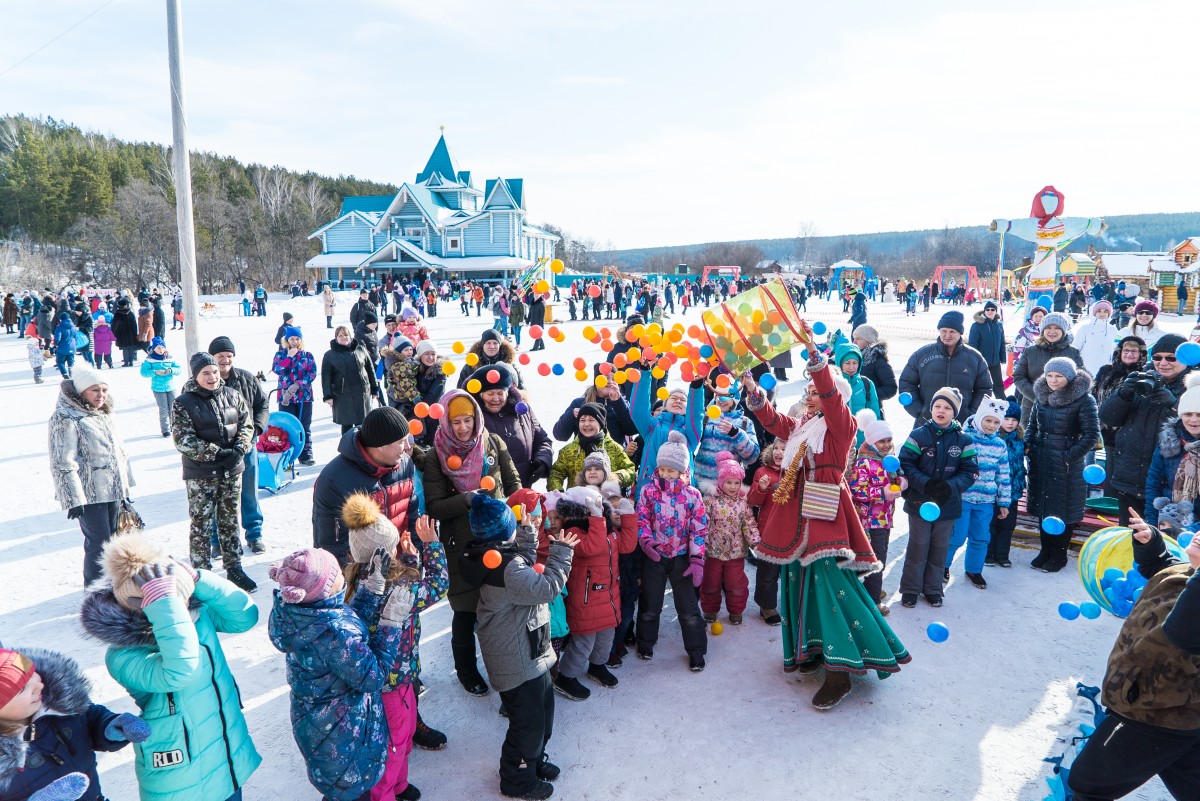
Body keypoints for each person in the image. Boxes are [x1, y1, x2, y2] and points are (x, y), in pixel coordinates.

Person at [741, 337, 910, 709]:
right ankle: (813, 649)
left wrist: (817, 360)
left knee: (832, 589)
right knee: (800, 585)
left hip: (825, 518)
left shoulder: (840, 425)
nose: (809, 397)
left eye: (814, 392)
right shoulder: (803, 426)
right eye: (807, 392)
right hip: (796, 520)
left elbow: (832, 398)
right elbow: (773, 420)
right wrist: (753, 389)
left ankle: (841, 672)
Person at [80, 532, 261, 801]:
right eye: (172, 599)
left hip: (223, 752)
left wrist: (200, 578)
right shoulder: (123, 655)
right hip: (181, 772)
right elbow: (181, 670)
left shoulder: (194, 618)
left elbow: (245, 617)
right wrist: (165, 603)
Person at [1066, 509, 1200, 801]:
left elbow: (1184, 631)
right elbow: (1166, 571)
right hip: (1173, 711)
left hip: (1156, 713)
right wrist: (1151, 546)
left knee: (1087, 785)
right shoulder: (1187, 570)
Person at [268, 546, 408, 801]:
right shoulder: (332, 634)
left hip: (326, 729)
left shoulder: (306, 615)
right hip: (343, 739)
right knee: (350, 795)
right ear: (324, 590)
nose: (343, 576)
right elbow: (373, 676)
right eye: (337, 576)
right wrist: (391, 625)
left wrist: (371, 589)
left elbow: (348, 620)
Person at [460, 494, 576, 801]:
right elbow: (546, 587)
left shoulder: (494, 554)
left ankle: (533, 761)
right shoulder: (508, 570)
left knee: (543, 714)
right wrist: (562, 552)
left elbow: (519, 561)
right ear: (503, 532)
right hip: (517, 660)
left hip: (527, 651)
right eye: (514, 526)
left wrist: (525, 534)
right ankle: (517, 778)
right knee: (529, 725)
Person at [340, 496, 448, 801]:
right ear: (387, 553)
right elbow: (439, 585)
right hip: (392, 683)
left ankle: (398, 786)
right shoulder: (399, 589)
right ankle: (383, 793)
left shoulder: (356, 579)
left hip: (386, 682)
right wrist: (432, 545)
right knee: (394, 744)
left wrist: (410, 561)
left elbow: (405, 584)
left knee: (402, 737)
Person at [424, 390, 521, 696]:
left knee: (502, 607)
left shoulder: (491, 441)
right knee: (466, 612)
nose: (463, 427)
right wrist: (465, 500)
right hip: (462, 544)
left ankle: (506, 666)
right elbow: (435, 505)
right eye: (456, 422)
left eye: (467, 420)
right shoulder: (435, 455)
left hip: (500, 539)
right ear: (446, 423)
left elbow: (513, 481)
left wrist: (519, 508)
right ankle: (466, 669)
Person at [172, 352, 257, 592]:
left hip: (231, 471)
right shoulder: (183, 403)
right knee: (202, 524)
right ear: (196, 375)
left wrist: (240, 448)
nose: (212, 377)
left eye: (215, 372)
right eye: (206, 373)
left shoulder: (233, 395)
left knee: (229, 521)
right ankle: (201, 575)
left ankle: (234, 568)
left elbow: (246, 424)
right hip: (201, 474)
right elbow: (183, 439)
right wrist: (216, 453)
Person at [48, 365, 134, 584]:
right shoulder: (66, 417)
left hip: (112, 489)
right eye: (95, 390)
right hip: (88, 492)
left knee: (115, 540)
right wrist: (73, 498)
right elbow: (62, 461)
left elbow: (119, 452)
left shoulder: (103, 413)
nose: (101, 395)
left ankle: (114, 588)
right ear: (81, 391)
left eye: (104, 390)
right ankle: (95, 592)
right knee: (98, 542)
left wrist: (126, 485)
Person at [898, 387, 979, 609]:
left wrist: (949, 487)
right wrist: (926, 483)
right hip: (919, 501)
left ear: (955, 413)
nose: (941, 411)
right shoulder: (918, 435)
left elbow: (971, 471)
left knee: (939, 546)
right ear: (931, 409)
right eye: (937, 406)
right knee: (918, 545)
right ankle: (911, 589)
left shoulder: (964, 440)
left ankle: (933, 589)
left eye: (946, 408)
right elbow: (905, 464)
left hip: (947, 504)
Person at [635, 431, 709, 671]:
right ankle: (645, 642)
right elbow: (642, 519)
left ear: (683, 471)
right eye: (663, 468)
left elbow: (699, 528)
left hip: (682, 558)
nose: (666, 473)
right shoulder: (648, 491)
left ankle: (696, 651)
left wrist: (697, 559)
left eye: (672, 470)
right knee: (650, 605)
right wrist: (646, 542)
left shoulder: (693, 496)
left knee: (688, 608)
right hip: (655, 556)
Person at [1100, 334, 1193, 526]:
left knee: (1163, 544)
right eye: (1157, 357)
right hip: (1130, 477)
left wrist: (1175, 404)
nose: (1163, 363)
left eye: (1171, 358)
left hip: (1169, 484)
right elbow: (1108, 417)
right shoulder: (1144, 380)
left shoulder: (1194, 388)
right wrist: (1123, 394)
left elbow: (1194, 429)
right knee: (1131, 539)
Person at [550, 485, 628, 701]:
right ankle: (566, 677)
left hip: (608, 597)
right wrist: (597, 520)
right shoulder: (573, 532)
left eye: (600, 508)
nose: (599, 512)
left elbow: (627, 546)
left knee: (605, 638)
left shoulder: (607, 530)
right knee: (584, 642)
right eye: (593, 509)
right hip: (585, 599)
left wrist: (629, 517)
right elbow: (592, 548)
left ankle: (597, 666)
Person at [1026, 358, 1100, 573]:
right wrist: (1030, 447)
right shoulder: (1042, 396)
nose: (1053, 380)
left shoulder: (1084, 400)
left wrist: (1069, 456)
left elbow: (1091, 435)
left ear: (1069, 377)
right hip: (1041, 458)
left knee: (1063, 508)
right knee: (1043, 505)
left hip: (1067, 463)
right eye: (1049, 375)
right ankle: (1045, 550)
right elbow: (1032, 425)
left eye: (1059, 376)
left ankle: (1059, 554)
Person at [209, 336, 270, 555]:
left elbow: (262, 404)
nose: (224, 360)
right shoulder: (205, 380)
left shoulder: (246, 378)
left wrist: (257, 428)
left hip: (246, 447)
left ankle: (254, 534)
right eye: (220, 356)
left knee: (249, 493)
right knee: (218, 495)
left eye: (228, 356)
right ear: (212, 358)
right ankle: (216, 540)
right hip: (218, 451)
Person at [945, 396, 1012, 589]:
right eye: (988, 420)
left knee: (981, 537)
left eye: (996, 422)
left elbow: (1004, 474)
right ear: (979, 418)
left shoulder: (1000, 445)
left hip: (986, 500)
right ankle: (943, 567)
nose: (992, 425)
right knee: (957, 536)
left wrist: (1004, 502)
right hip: (963, 498)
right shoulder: (965, 438)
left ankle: (974, 569)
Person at [849, 411, 905, 615]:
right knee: (875, 558)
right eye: (882, 441)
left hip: (886, 518)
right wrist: (883, 492)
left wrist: (900, 482)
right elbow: (857, 490)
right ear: (872, 441)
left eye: (889, 440)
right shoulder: (864, 462)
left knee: (881, 555)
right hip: (870, 520)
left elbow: (896, 479)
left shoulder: (889, 459)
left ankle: (871, 589)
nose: (887, 444)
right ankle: (872, 601)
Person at [699, 452, 761, 626]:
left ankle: (736, 610)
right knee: (710, 582)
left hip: (736, 552)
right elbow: (703, 523)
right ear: (720, 482)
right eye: (728, 482)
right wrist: (700, 544)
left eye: (736, 483)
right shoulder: (710, 502)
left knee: (736, 584)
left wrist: (755, 542)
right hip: (713, 551)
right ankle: (710, 609)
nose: (733, 486)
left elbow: (749, 523)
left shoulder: (742, 503)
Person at [897, 310, 993, 423]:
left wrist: (971, 414)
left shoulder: (975, 358)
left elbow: (985, 389)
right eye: (944, 331)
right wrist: (919, 411)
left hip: (962, 425)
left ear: (960, 333)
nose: (947, 335)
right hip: (927, 422)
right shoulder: (922, 354)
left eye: (952, 331)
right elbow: (906, 383)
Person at [1143, 374, 1200, 529]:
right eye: (1188, 414)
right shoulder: (1170, 441)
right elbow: (1154, 484)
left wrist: (1191, 531)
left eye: (1199, 414)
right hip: (1169, 520)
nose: (1194, 420)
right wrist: (1153, 523)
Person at [1012, 311, 1084, 426]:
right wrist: (1037, 396)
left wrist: (1063, 398)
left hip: (1064, 409)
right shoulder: (1030, 351)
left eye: (1057, 328)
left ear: (1064, 331)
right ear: (1042, 330)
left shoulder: (1072, 352)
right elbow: (1018, 377)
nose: (1052, 332)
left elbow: (1081, 379)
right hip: (1032, 405)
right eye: (1048, 328)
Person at [547, 403, 637, 491]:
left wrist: (615, 477)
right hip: (576, 502)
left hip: (606, 501)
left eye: (591, 420)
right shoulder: (568, 451)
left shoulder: (614, 448)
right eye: (582, 420)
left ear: (600, 423)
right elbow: (555, 474)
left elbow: (630, 471)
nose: (586, 424)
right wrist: (559, 494)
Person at [746, 437, 785, 626]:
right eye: (776, 448)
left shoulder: (798, 473)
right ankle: (766, 606)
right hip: (768, 529)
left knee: (788, 570)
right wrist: (760, 488)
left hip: (790, 531)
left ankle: (791, 603)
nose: (779, 452)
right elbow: (753, 501)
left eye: (784, 449)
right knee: (767, 571)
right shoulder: (763, 472)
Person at [986, 400, 1026, 569]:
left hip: (1013, 491)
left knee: (1008, 524)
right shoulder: (993, 438)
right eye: (1006, 419)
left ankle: (1002, 555)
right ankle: (988, 553)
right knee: (991, 523)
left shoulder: (1020, 440)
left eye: (1014, 420)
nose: (1010, 423)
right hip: (994, 490)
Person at [272, 327, 318, 466]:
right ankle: (288, 456)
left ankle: (306, 453)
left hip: (304, 396)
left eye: (297, 339)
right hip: (286, 397)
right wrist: (289, 357)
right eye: (292, 339)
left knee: (304, 425)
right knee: (287, 426)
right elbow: (278, 370)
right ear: (286, 340)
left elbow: (312, 373)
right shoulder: (280, 355)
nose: (295, 341)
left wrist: (298, 384)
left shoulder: (307, 355)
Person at [321, 325, 379, 434]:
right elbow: (326, 377)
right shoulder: (330, 355)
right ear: (336, 338)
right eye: (340, 335)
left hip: (362, 392)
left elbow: (370, 370)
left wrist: (374, 388)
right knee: (347, 424)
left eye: (346, 335)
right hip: (343, 395)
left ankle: (363, 448)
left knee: (363, 424)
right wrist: (328, 396)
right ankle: (347, 449)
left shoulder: (360, 349)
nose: (344, 337)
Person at [551, 378, 638, 443]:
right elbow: (560, 435)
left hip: (615, 459)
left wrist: (618, 402)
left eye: (614, 379)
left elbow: (632, 430)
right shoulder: (579, 403)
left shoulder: (622, 403)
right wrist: (570, 415)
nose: (610, 382)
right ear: (596, 381)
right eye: (606, 378)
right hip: (585, 460)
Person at [140, 337, 181, 438]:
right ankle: (165, 430)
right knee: (163, 409)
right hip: (158, 388)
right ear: (153, 348)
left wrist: (171, 370)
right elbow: (143, 372)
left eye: (162, 347)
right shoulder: (150, 359)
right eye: (158, 348)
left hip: (171, 387)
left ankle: (174, 427)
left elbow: (179, 369)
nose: (161, 350)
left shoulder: (169, 357)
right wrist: (155, 372)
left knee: (173, 408)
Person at [458, 329, 525, 391]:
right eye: (488, 343)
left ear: (500, 345)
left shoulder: (510, 366)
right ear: (483, 345)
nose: (492, 346)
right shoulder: (471, 366)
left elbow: (521, 390)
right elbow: (460, 390)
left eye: (495, 343)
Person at [968, 301, 1008, 395]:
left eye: (992, 309)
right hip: (982, 363)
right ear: (984, 311)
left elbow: (1002, 342)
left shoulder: (999, 325)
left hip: (995, 362)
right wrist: (976, 361)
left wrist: (1002, 357)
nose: (990, 311)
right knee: (981, 386)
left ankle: (1002, 405)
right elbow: (973, 345)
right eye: (988, 309)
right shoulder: (977, 325)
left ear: (996, 311)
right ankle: (979, 406)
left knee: (998, 386)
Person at [1074, 300, 1119, 377]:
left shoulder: (1113, 329)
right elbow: (1076, 347)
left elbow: (1116, 347)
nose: (1102, 314)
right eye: (1099, 311)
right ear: (1094, 313)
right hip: (1087, 366)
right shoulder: (1085, 328)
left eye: (1105, 311)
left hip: (1105, 366)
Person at [853, 325, 897, 401]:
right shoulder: (852, 357)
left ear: (869, 341)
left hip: (872, 409)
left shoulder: (878, 360)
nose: (854, 342)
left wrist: (867, 394)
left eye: (859, 339)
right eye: (854, 338)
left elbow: (891, 388)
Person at [52, 310, 77, 378]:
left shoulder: (59, 326)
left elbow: (57, 338)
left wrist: (55, 344)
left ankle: (65, 374)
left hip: (62, 347)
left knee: (60, 361)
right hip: (72, 346)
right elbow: (76, 336)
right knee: (71, 363)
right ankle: (71, 375)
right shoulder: (73, 326)